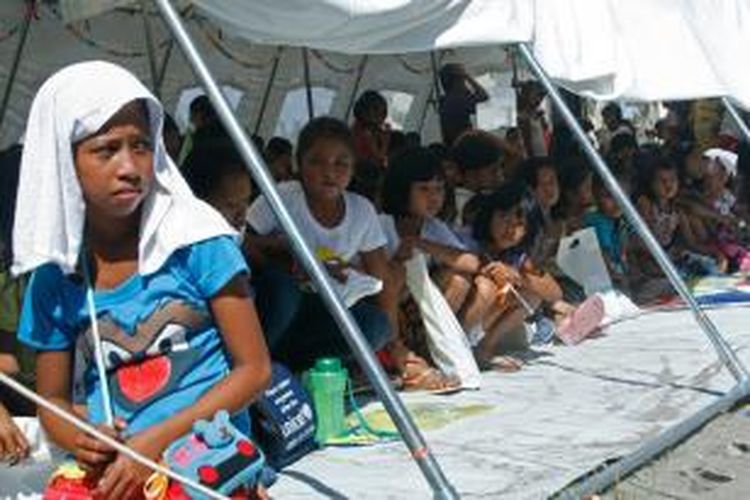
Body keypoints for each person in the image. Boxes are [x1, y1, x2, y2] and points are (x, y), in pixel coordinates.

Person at [13, 61, 271, 497]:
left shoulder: (198, 242)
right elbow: (51, 401)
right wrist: (81, 436)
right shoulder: (57, 275)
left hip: (204, 451)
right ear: (64, 162)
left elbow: (254, 370)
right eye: (106, 149)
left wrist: (153, 444)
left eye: (141, 146)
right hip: (119, 462)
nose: (130, 166)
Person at [245, 117, 391, 372]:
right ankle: (254, 370)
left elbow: (380, 278)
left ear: (353, 167)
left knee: (376, 326)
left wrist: (338, 268)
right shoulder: (282, 196)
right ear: (299, 164)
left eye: (341, 163)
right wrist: (283, 250)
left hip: (325, 308)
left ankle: (295, 369)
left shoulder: (361, 210)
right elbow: (238, 240)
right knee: (283, 289)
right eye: (316, 162)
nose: (329, 172)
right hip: (276, 306)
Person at [380, 147, 510, 379]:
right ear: (402, 190)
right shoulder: (383, 224)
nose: (434, 197)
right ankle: (404, 353)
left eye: (439, 189)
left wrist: (421, 243)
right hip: (392, 313)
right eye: (424, 189)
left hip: (422, 313)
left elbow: (471, 262)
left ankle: (443, 351)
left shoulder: (432, 227)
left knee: (475, 283)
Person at [438, 63, 489, 147]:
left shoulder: (446, 99)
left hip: (453, 145)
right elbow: (483, 96)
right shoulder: (458, 100)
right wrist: (468, 77)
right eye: (463, 80)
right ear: (456, 81)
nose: (465, 83)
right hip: (463, 146)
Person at [351, 90, 390, 168]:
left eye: (383, 113)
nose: (381, 117)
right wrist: (385, 144)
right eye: (376, 111)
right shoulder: (360, 133)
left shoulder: (373, 132)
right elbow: (376, 161)